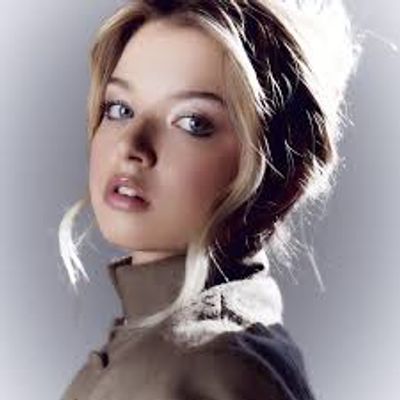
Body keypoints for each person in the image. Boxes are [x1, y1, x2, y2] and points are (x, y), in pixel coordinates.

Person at [60, 1, 361, 399]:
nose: (131, 146)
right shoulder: (214, 347)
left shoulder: (196, 370)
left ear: (283, 174)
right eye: (120, 108)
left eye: (193, 122)